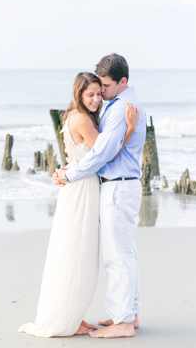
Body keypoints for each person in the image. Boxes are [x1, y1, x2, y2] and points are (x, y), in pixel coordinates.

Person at [18, 71, 139, 337]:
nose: (97, 99)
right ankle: (68, 317)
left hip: (79, 186)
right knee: (78, 252)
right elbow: (105, 156)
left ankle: (73, 315)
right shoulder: (83, 119)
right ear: (79, 94)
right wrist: (130, 128)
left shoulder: (73, 116)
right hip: (83, 188)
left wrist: (67, 170)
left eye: (99, 93)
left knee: (75, 251)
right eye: (91, 94)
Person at [54, 54, 146, 339]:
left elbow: (103, 152)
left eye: (105, 86)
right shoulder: (117, 105)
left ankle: (124, 322)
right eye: (97, 88)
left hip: (118, 185)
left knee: (116, 256)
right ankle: (129, 313)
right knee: (124, 252)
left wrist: (70, 174)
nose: (101, 92)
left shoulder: (121, 109)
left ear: (122, 82)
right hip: (121, 184)